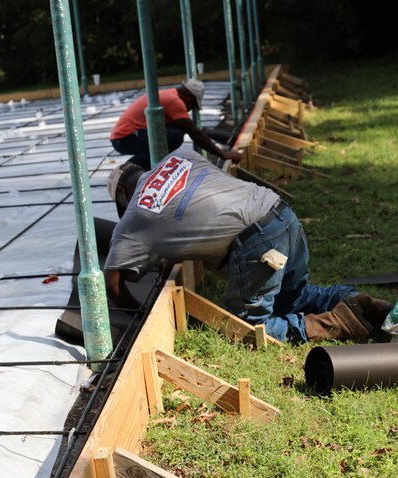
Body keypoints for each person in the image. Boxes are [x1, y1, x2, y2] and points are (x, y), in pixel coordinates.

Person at [103, 150, 392, 343]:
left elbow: (113, 285)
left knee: (247, 329)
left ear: (122, 197)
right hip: (282, 214)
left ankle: (336, 323)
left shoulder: (134, 219)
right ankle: (366, 305)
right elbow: (199, 205)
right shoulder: (181, 157)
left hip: (258, 243)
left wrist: (139, 315)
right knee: (294, 296)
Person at [110, 79, 242, 171]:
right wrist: (223, 154)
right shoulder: (175, 101)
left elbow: (194, 130)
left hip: (128, 136)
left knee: (178, 131)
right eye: (193, 105)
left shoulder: (171, 95)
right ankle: (130, 168)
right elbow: (195, 133)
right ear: (188, 96)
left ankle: (146, 166)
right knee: (175, 136)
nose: (190, 109)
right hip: (124, 139)